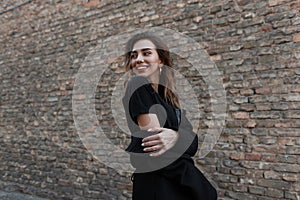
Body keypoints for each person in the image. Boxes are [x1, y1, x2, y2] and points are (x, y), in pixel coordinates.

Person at [122, 32, 217, 200]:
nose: (138, 59)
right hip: (158, 186)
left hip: (176, 185)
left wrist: (176, 137)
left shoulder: (169, 99)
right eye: (133, 55)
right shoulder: (137, 85)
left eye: (146, 53)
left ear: (161, 60)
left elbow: (193, 144)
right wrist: (200, 187)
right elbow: (155, 148)